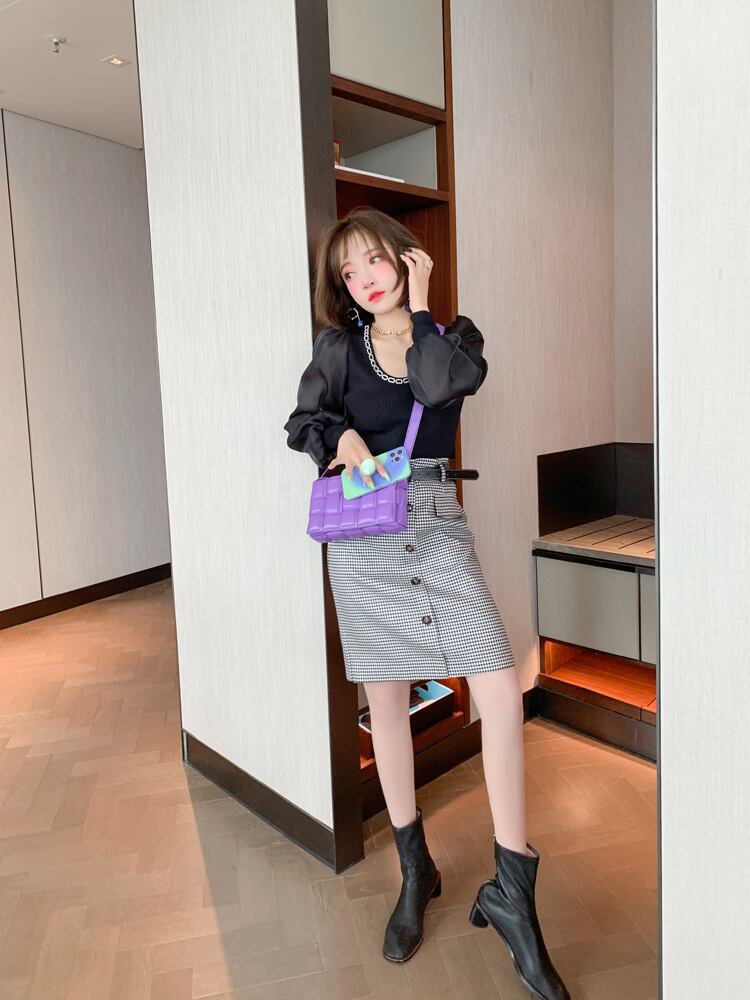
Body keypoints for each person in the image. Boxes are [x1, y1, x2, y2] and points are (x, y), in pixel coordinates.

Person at [284, 208, 569, 1000]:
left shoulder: (453, 339)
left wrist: (420, 306)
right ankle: (417, 871)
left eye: (376, 260)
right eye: (349, 272)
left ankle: (512, 893)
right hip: (365, 540)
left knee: (499, 693)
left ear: (407, 259)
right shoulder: (336, 350)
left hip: (438, 522)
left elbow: (440, 389)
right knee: (386, 702)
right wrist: (339, 442)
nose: (364, 279)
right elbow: (303, 421)